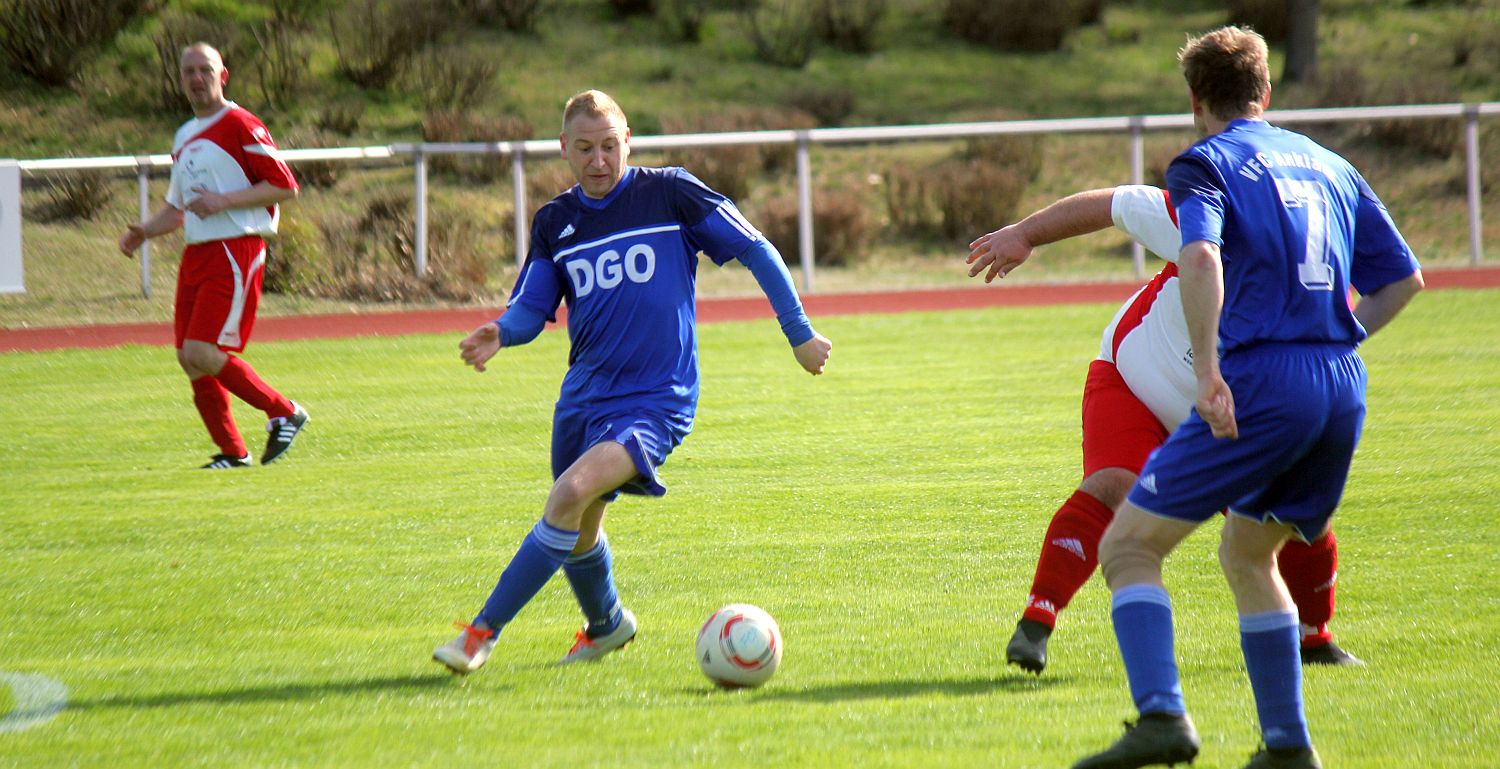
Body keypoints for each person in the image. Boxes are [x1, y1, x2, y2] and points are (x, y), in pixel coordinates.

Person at [1062, 27, 1421, 769]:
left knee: (1128, 546)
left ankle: (1162, 715)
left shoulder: (1204, 163)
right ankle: (1287, 746)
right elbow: (1404, 280)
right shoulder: (1330, 164)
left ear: (1195, 99)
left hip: (1262, 382)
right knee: (1250, 550)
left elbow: (1198, 255)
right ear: (1267, 91)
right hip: (1340, 384)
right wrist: (1334, 343)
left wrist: (1210, 373)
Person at [432, 90, 832, 675]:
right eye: (585, 148)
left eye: (609, 146)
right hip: (582, 400)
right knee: (580, 524)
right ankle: (607, 625)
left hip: (656, 399)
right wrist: (502, 332)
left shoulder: (670, 192)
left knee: (568, 496)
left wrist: (798, 332)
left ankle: (480, 633)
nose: (599, 160)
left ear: (628, 141)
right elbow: (530, 307)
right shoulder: (554, 223)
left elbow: (757, 249)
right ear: (564, 149)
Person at [967, 185, 1361, 675]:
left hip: (1231, 412)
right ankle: (1036, 621)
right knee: (1115, 484)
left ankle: (1314, 639)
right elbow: (1113, 204)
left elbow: (1399, 281)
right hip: (1137, 378)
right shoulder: (1202, 216)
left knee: (1298, 515)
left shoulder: (1318, 277)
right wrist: (1024, 234)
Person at [117, 42, 308, 469]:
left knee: (203, 350)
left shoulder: (241, 123)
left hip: (235, 248)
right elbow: (178, 207)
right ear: (180, 79)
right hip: (198, 253)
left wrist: (224, 201)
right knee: (189, 357)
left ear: (223, 76)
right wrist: (144, 232)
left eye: (205, 70)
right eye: (189, 71)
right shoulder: (184, 135)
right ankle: (232, 452)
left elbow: (285, 186)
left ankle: (284, 411)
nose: (197, 78)